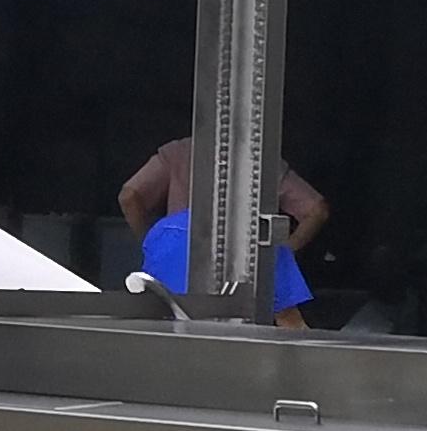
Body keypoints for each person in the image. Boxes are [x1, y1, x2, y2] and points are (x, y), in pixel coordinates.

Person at [120, 132, 327, 256]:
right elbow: (317, 210)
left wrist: (151, 245)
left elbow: (129, 197)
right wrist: (282, 255)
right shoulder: (262, 161)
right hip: (247, 272)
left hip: (178, 263)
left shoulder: (179, 152)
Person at [132, 204, 312, 328]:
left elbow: (149, 303)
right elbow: (290, 323)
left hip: (167, 351)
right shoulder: (265, 235)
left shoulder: (161, 230)